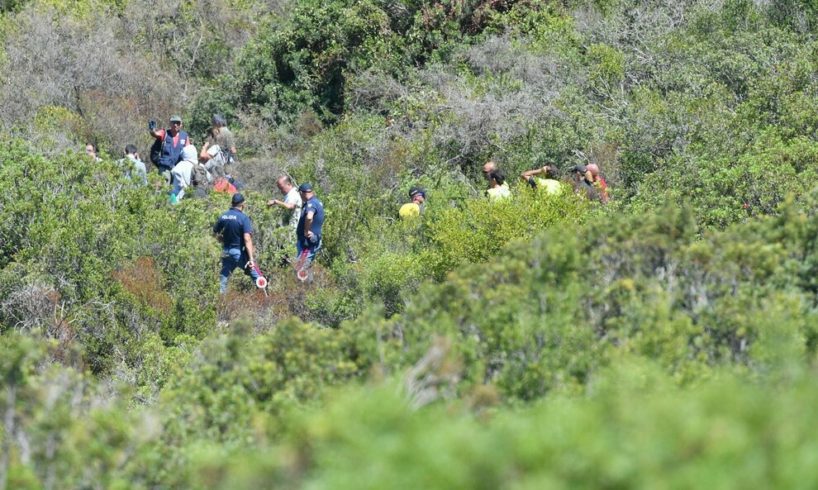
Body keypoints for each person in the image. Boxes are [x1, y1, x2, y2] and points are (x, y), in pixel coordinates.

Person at [213, 193, 260, 294]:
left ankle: (221, 304)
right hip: (238, 252)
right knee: (258, 277)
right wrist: (251, 259)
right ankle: (265, 299)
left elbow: (215, 233)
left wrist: (221, 239)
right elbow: (247, 238)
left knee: (223, 281)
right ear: (242, 204)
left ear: (232, 203)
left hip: (225, 252)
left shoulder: (223, 216)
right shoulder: (243, 218)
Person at [149, 115, 189, 183]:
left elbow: (188, 151)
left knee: (175, 191)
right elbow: (155, 134)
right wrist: (152, 130)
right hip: (165, 169)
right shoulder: (165, 133)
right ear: (170, 124)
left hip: (178, 170)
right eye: (174, 123)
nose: (176, 125)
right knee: (163, 190)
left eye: (178, 123)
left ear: (181, 124)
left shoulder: (184, 136)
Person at [295, 183, 325, 267]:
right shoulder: (317, 202)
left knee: (300, 269)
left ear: (301, 193)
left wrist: (306, 231)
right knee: (305, 269)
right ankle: (310, 280)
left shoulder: (311, 203)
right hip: (307, 241)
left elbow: (309, 217)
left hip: (308, 242)